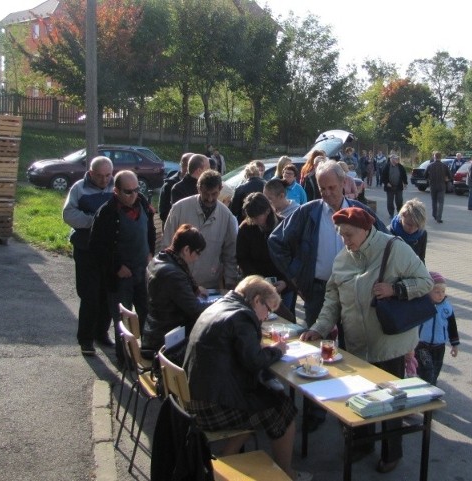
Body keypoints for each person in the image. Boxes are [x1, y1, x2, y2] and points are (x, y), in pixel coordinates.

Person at [301, 207, 433, 474]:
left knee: (390, 401)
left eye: (349, 234)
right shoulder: (341, 260)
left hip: (390, 343)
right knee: (360, 397)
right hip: (356, 343)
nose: (345, 241)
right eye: (341, 235)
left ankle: (391, 452)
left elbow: (425, 281)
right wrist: (318, 328)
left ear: (365, 230)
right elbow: (332, 301)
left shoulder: (393, 248)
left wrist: (396, 289)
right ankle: (362, 444)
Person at [269, 160, 386, 431]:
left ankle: (355, 415)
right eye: (322, 188)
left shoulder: (361, 213)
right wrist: (297, 276)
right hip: (318, 291)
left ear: (344, 184)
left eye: (332, 187)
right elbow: (276, 242)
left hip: (354, 293)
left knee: (354, 353)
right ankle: (315, 413)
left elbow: (386, 243)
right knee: (314, 351)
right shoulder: (308, 212)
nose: (328, 193)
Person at [184, 275, 305, 480]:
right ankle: (287, 473)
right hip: (212, 405)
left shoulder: (222, 304)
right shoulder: (242, 316)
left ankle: (224, 461)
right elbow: (254, 362)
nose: (266, 317)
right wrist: (277, 351)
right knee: (283, 409)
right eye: (267, 309)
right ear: (256, 300)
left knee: (261, 402)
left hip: (194, 397)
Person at [89, 170, 156, 363]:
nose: (134, 194)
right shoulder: (107, 213)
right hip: (120, 276)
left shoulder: (143, 203)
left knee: (146, 313)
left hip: (142, 270)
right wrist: (116, 267)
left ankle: (145, 352)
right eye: (128, 192)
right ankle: (124, 358)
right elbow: (96, 246)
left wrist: (150, 252)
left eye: (136, 189)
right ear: (116, 191)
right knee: (122, 319)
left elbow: (150, 230)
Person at [62, 156, 114, 355]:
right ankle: (86, 339)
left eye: (108, 175)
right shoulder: (78, 188)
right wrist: (94, 221)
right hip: (86, 249)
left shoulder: (115, 187)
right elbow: (68, 215)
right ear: (90, 173)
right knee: (89, 295)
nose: (104, 180)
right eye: (100, 176)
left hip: (109, 251)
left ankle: (102, 333)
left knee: (107, 294)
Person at [142, 224, 211, 354]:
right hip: (165, 340)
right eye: (197, 253)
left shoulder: (160, 259)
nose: (198, 257)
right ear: (186, 249)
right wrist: (221, 303)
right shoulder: (173, 274)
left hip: (154, 330)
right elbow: (195, 309)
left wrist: (194, 288)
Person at [163, 170, 239, 289]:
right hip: (179, 283)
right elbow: (167, 246)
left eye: (214, 194)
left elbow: (230, 254)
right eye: (206, 194)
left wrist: (230, 282)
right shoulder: (179, 209)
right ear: (198, 188)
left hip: (210, 285)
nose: (209, 199)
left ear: (220, 189)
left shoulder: (227, 216)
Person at [237, 193, 295, 315]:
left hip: (283, 288)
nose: (254, 221)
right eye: (250, 217)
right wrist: (259, 281)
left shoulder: (285, 226)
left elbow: (295, 259)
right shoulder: (246, 228)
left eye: (257, 217)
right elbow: (242, 258)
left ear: (267, 211)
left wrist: (286, 282)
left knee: (285, 321)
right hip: (256, 288)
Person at [415, 271, 460, 386]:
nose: (441, 295)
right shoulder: (422, 305)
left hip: (439, 346)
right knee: (426, 371)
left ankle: (431, 388)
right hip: (422, 345)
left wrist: (454, 344)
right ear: (428, 292)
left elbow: (452, 326)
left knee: (435, 370)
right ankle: (425, 388)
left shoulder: (446, 307)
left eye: (443, 292)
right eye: (437, 292)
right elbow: (412, 323)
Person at [388, 198, 428, 263]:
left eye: (417, 225)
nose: (413, 229)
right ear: (402, 216)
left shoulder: (422, 234)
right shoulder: (388, 233)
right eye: (409, 224)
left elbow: (421, 259)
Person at [159, 153, 192, 225]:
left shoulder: (198, 184)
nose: (187, 168)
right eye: (186, 165)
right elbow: (163, 212)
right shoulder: (169, 185)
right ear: (181, 164)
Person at [425, 151, 452, 223]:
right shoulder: (444, 166)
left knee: (434, 201)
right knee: (441, 202)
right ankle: (439, 217)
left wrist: (429, 178)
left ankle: (434, 215)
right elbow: (450, 176)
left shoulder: (430, 165)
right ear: (440, 157)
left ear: (434, 157)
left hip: (433, 186)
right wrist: (446, 179)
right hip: (442, 186)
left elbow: (425, 176)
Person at [381, 153, 408, 218]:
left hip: (398, 187)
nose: (396, 160)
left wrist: (405, 183)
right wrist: (386, 183)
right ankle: (391, 214)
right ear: (391, 159)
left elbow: (404, 175)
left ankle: (399, 213)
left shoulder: (400, 166)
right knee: (390, 202)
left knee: (399, 201)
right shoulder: (386, 166)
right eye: (394, 158)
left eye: (396, 158)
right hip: (389, 187)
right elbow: (382, 177)